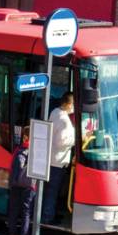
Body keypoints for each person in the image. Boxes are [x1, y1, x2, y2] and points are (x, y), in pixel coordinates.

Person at [4, 126, 38, 235]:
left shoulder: (18, 150)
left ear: (25, 137)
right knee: (26, 212)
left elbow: (11, 166)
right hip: (29, 186)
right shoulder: (36, 151)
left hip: (15, 184)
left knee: (13, 211)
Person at [46, 95, 77, 223]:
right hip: (57, 161)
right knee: (52, 190)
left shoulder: (55, 112)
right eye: (74, 104)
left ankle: (50, 213)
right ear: (69, 104)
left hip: (54, 159)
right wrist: (76, 140)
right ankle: (48, 216)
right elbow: (60, 142)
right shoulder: (63, 119)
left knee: (52, 190)